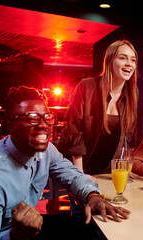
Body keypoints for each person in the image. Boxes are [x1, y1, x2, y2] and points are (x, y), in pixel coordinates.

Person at [0, 86, 130, 240]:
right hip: (9, 235)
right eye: (32, 118)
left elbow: (72, 175)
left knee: (88, 231)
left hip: (28, 229)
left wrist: (93, 196)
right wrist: (15, 236)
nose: (43, 125)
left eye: (46, 117)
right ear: (10, 126)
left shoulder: (46, 150)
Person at [58, 39, 138, 175]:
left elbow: (125, 138)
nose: (129, 64)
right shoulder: (87, 86)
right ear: (110, 61)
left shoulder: (132, 93)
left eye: (133, 60)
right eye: (123, 58)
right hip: (75, 167)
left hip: (107, 171)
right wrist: (80, 174)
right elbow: (74, 131)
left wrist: (122, 168)